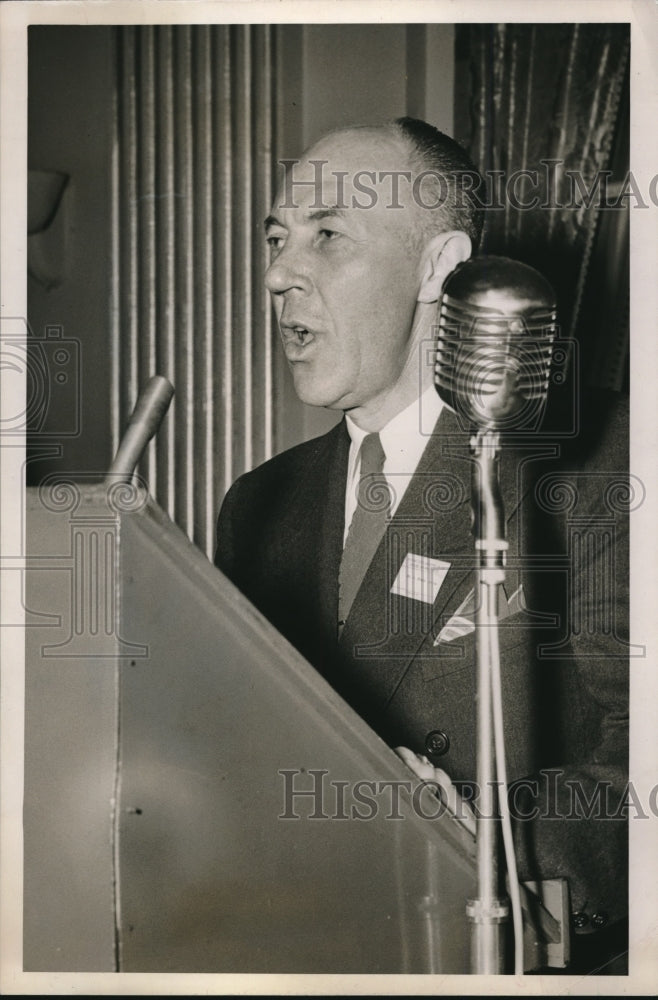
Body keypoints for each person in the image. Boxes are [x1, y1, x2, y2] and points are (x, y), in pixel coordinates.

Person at [215, 118, 629, 974]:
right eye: (277, 238)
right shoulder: (256, 506)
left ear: (439, 265)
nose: (279, 274)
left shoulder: (600, 461)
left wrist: (482, 840)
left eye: (328, 236)